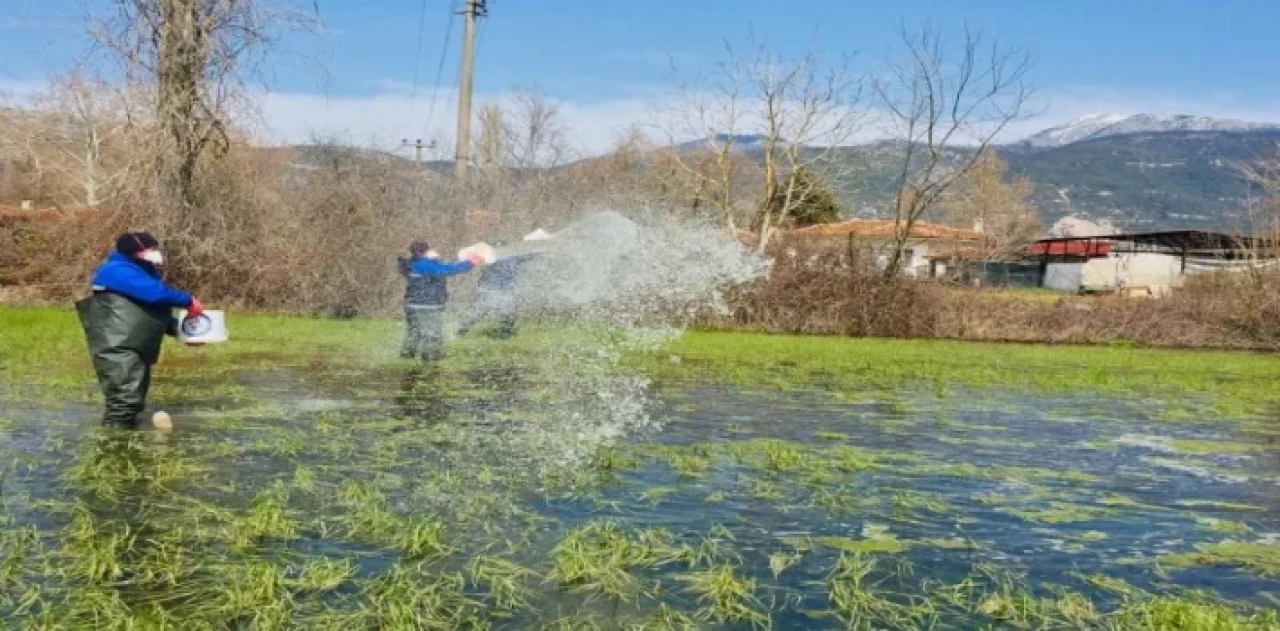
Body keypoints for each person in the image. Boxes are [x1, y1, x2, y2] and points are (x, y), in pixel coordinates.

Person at [75, 232, 202, 429]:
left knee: (134, 402)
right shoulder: (116, 270)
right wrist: (187, 300)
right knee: (123, 403)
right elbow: (155, 295)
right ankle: (114, 447)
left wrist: (182, 331)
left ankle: (129, 443)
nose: (155, 253)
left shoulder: (141, 274)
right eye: (150, 249)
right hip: (118, 347)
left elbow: (151, 312)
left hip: (135, 346)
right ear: (136, 251)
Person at [399, 240, 483, 360]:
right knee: (433, 334)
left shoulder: (415, 264)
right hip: (427, 306)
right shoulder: (423, 265)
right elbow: (447, 269)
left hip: (412, 305)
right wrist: (470, 262)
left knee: (414, 333)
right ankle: (431, 358)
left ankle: (406, 357)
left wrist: (433, 260)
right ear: (425, 251)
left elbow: (439, 269)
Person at [456, 240, 536, 339]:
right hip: (490, 289)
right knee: (480, 311)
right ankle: (462, 330)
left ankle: (505, 335)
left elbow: (530, 254)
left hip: (505, 289)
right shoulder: (490, 257)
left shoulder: (513, 256)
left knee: (506, 312)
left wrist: (537, 243)